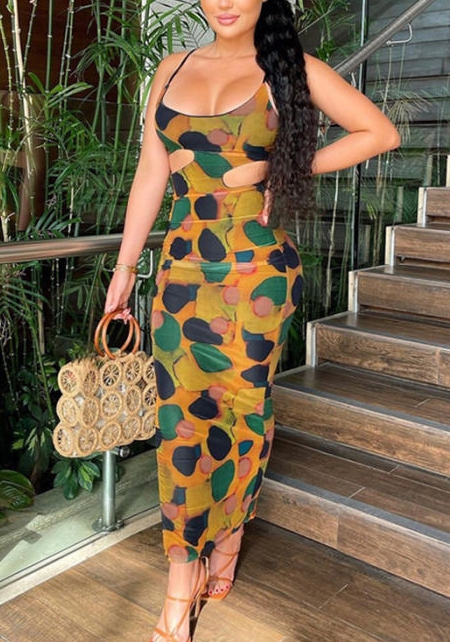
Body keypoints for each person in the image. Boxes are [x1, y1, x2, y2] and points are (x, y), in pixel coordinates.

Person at [104, 0, 400, 640]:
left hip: (256, 275)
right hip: (182, 273)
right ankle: (180, 582)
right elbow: (152, 170)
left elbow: (379, 133)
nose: (226, 3)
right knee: (179, 422)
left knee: (243, 413)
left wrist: (281, 167)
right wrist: (125, 269)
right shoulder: (170, 68)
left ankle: (231, 534)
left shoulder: (290, 68)